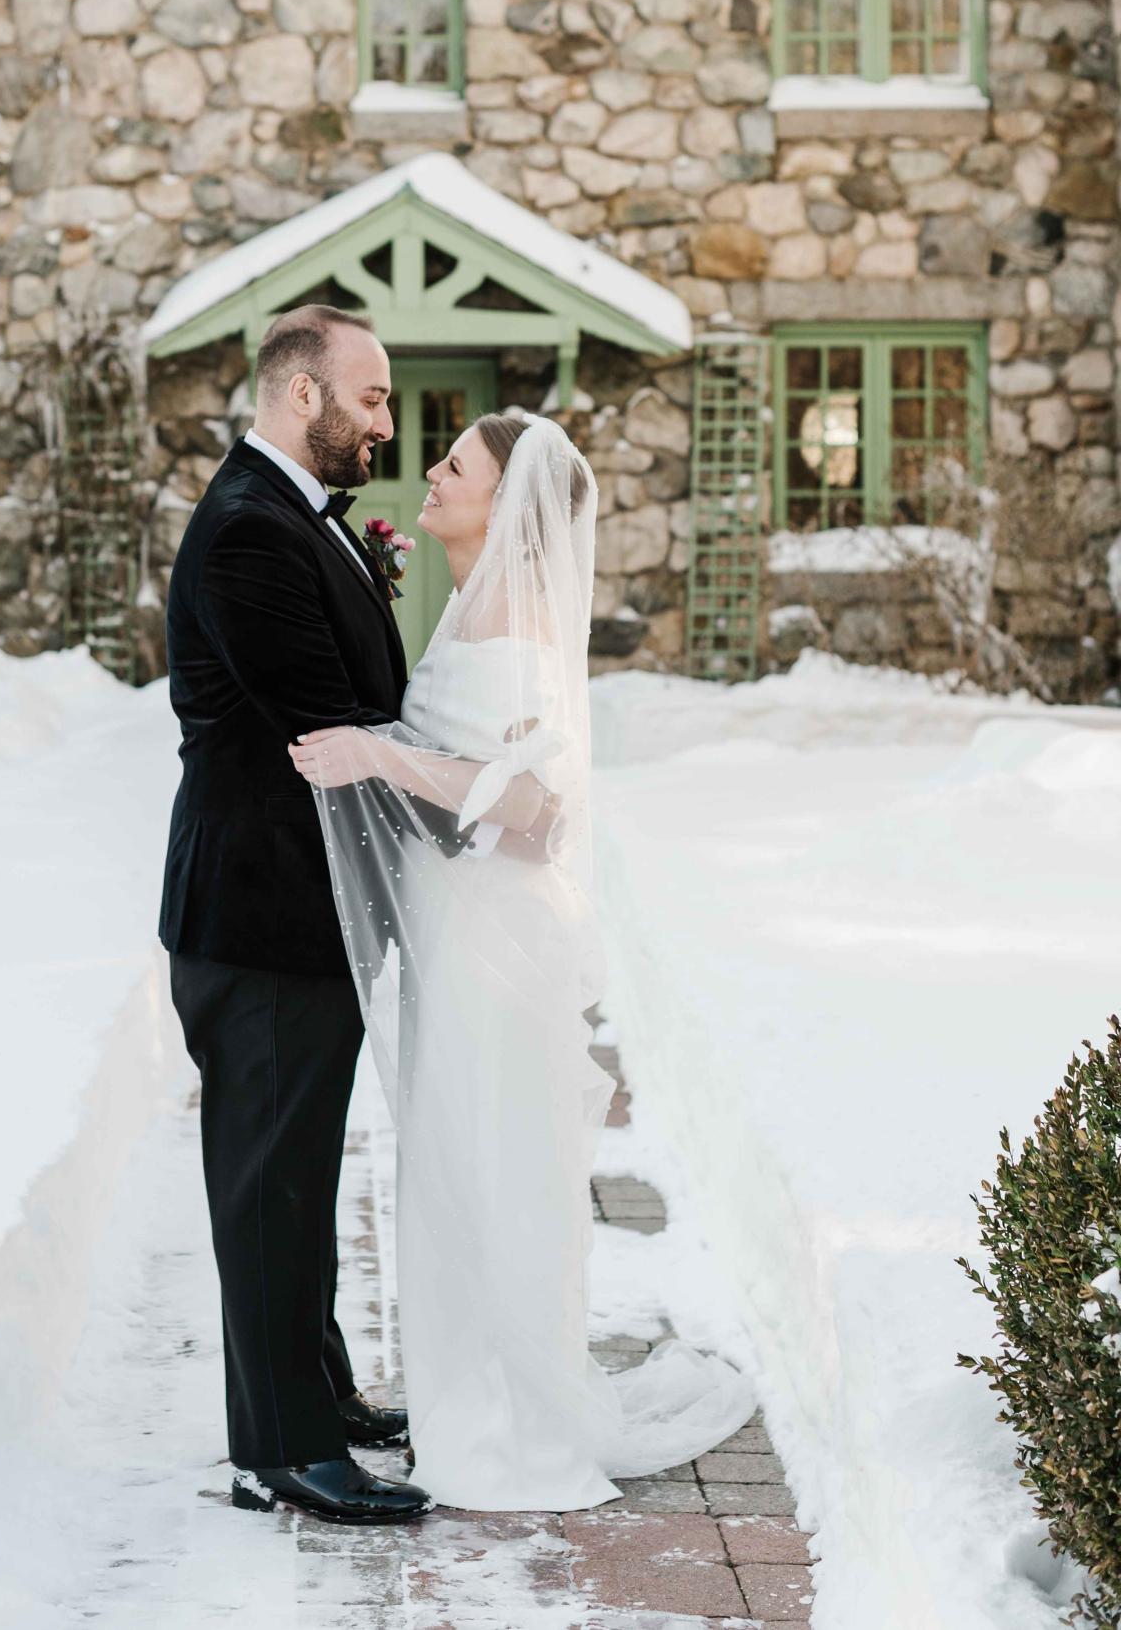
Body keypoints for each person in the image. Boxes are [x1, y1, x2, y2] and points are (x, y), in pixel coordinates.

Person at [289, 411, 756, 1510]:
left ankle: (506, 1432)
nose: (431, 472)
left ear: (506, 505)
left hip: (497, 942)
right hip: (459, 930)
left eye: (456, 465)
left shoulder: (518, 630)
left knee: (491, 1165)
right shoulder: (472, 606)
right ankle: (468, 1409)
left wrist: (378, 757)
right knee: (456, 1164)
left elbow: (537, 811)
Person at [161, 303, 431, 1524]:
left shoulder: (289, 516)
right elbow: (334, 721)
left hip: (303, 913)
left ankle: (316, 1389)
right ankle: (282, 1450)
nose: (387, 423)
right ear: (301, 394)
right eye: (371, 398)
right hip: (262, 916)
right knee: (268, 1186)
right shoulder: (247, 533)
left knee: (301, 1173)